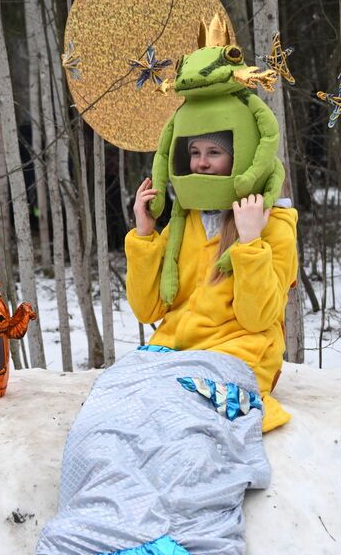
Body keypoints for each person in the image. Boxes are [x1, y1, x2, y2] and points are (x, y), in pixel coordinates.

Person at [124, 133, 298, 432]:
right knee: (118, 411)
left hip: (238, 355)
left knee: (180, 425)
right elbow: (146, 310)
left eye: (214, 152)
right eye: (195, 152)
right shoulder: (184, 222)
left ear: (240, 158)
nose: (201, 163)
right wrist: (143, 234)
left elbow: (257, 318)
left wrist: (250, 241)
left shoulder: (275, 226)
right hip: (173, 353)